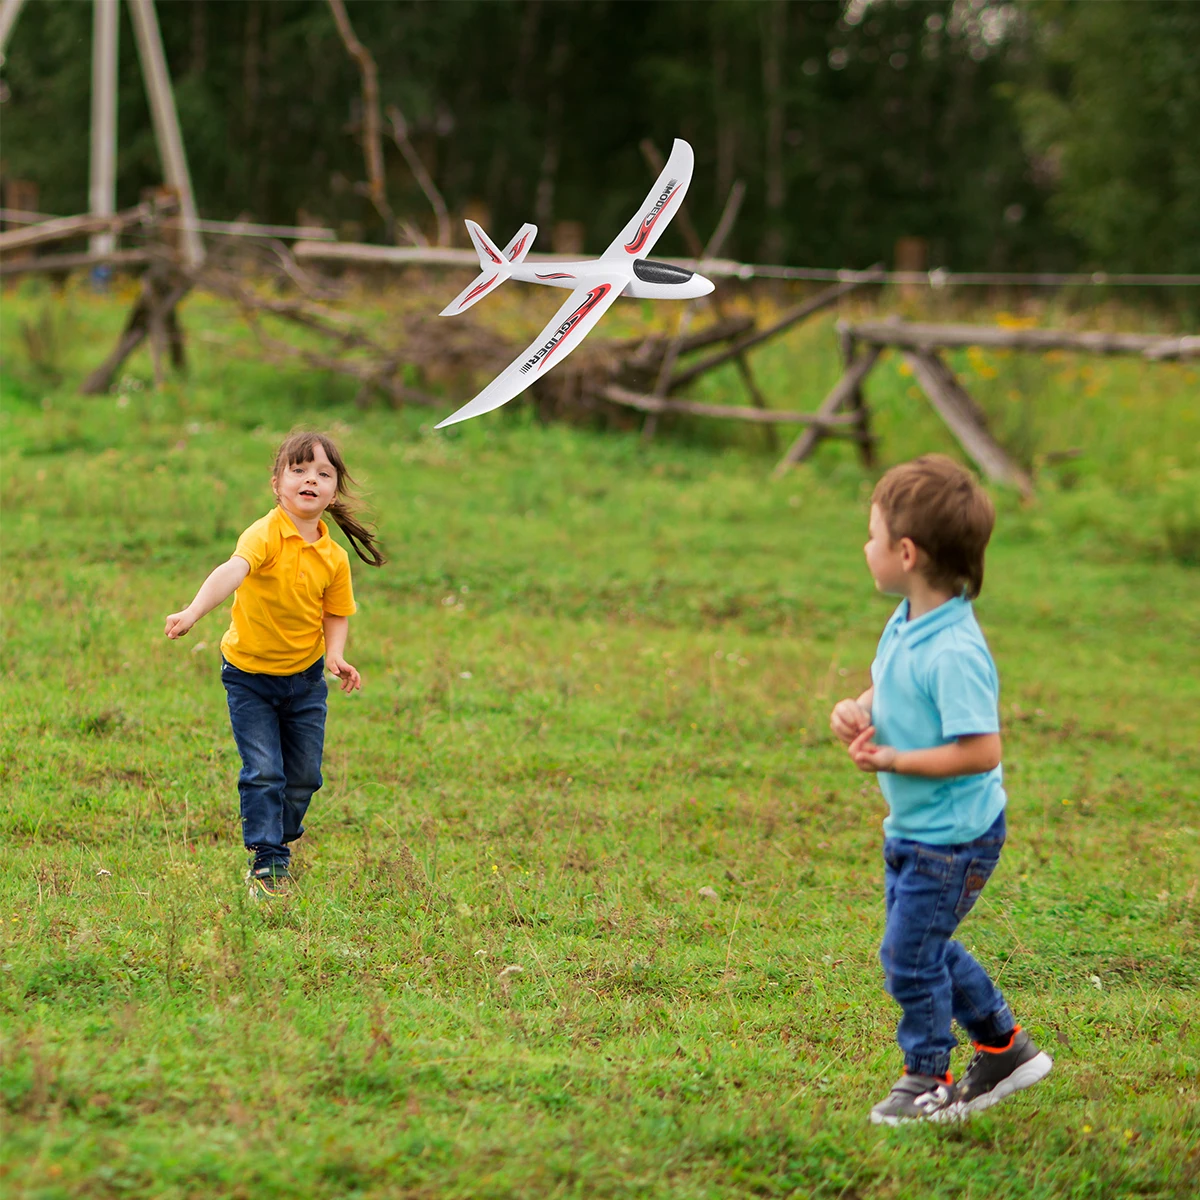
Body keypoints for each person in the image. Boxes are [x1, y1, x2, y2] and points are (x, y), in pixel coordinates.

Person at [829, 455, 1051, 1124]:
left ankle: (928, 1078)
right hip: (917, 828)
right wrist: (861, 707)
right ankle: (1006, 1048)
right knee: (923, 945)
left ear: (904, 551)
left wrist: (897, 756)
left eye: (871, 535)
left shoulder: (956, 650)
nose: (863, 547)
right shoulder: (908, 621)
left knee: (908, 955)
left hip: (954, 838)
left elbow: (982, 749)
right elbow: (895, 687)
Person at [165, 431, 384, 897]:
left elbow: (336, 611)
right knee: (264, 769)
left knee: (304, 776)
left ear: (334, 490)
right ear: (277, 483)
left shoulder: (334, 557)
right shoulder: (264, 534)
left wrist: (337, 655)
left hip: (305, 681)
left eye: (323, 473)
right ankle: (268, 858)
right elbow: (233, 570)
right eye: (300, 470)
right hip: (249, 677)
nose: (311, 479)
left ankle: (277, 842)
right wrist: (192, 612)